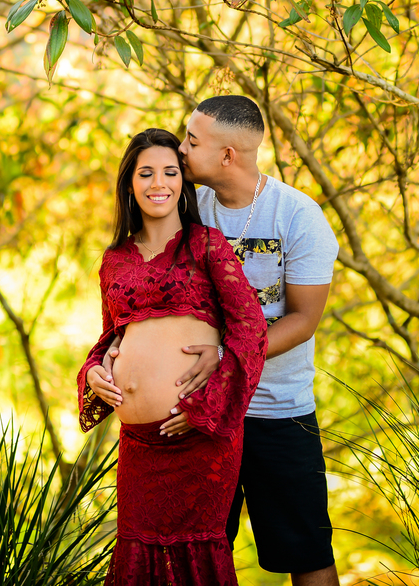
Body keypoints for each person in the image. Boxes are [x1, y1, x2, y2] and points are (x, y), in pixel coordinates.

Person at [101, 97, 340, 584]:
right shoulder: (190, 207)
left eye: (191, 141)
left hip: (276, 409)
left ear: (227, 155)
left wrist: (225, 356)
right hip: (194, 420)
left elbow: (303, 320)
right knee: (195, 554)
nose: (181, 150)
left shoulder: (298, 216)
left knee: (307, 553)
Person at [77, 128, 268, 586]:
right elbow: (110, 338)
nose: (158, 182)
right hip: (139, 445)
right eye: (146, 173)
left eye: (170, 171)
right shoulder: (113, 260)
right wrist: (93, 373)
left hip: (198, 438)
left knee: (197, 555)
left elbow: (251, 329)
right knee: (137, 558)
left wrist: (204, 407)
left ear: (184, 182)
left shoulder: (207, 245)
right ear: (129, 184)